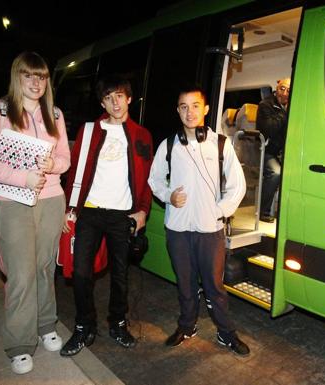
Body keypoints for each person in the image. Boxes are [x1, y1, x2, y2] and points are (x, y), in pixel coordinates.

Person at [0, 51, 70, 375]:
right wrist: (22, 178)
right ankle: (19, 344)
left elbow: (66, 158)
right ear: (17, 77)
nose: (36, 82)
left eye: (41, 76)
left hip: (51, 198)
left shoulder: (54, 113)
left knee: (43, 269)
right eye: (29, 75)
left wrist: (51, 164)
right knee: (21, 274)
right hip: (11, 199)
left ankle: (45, 325)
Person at [147, 85, 250, 356]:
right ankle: (187, 326)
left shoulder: (220, 144)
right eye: (183, 106)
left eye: (195, 106)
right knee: (185, 282)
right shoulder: (168, 145)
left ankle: (226, 333)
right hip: (178, 229)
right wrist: (169, 196)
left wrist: (220, 210)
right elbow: (154, 179)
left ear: (205, 110)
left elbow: (238, 185)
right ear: (177, 111)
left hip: (210, 230)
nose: (189, 111)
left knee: (215, 286)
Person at [59, 75, 153, 356]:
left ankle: (118, 324)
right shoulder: (90, 131)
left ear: (129, 99)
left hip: (122, 215)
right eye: (109, 97)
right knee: (80, 272)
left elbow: (147, 179)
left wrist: (143, 211)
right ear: (102, 102)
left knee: (121, 276)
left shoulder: (141, 135)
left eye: (120, 96)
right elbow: (74, 173)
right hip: (89, 213)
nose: (115, 101)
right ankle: (83, 326)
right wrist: (70, 209)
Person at [256, 77, 290, 223]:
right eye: (282, 88)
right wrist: (284, 114)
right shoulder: (265, 105)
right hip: (267, 150)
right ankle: (263, 212)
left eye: (289, 90)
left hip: (284, 152)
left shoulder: (291, 107)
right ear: (277, 88)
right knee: (276, 173)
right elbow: (268, 128)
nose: (285, 93)